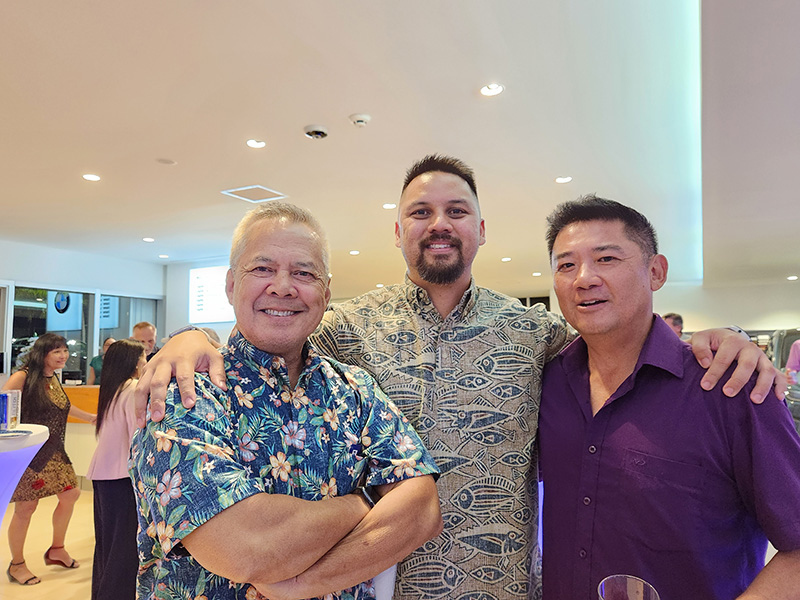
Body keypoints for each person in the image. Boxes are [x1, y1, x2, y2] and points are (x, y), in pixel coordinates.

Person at [137, 155, 782, 599]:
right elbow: (271, 328)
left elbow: (619, 336)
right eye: (420, 212)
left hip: (501, 588)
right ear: (397, 232)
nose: (438, 223)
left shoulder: (536, 336)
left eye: (456, 210)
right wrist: (191, 338)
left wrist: (712, 342)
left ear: (481, 231)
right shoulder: (346, 328)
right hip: (376, 583)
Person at [129, 202, 442, 600]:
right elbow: (245, 546)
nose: (282, 286)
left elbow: (422, 510)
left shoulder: (355, 389)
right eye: (262, 269)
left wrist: (300, 584)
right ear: (230, 285)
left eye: (303, 273)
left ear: (326, 293)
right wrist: (366, 500)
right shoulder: (184, 390)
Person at [539, 195, 800, 599]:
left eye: (606, 258)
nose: (583, 278)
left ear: (656, 271)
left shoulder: (730, 386)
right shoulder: (546, 381)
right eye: (566, 265)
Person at [2, 333, 96, 586]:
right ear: (42, 353)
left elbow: (62, 406)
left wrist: (89, 417)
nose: (63, 355)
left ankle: (56, 549)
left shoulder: (52, 377)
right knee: (26, 507)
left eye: (64, 350)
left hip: (55, 450)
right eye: (56, 351)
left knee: (70, 494)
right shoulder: (22, 376)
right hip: (29, 452)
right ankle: (17, 564)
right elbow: (3, 404)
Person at [86, 339, 147, 600]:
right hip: (123, 477)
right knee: (124, 548)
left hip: (102, 475)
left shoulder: (112, 388)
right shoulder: (133, 388)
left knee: (107, 544)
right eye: (144, 358)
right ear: (134, 363)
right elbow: (138, 436)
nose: (147, 363)